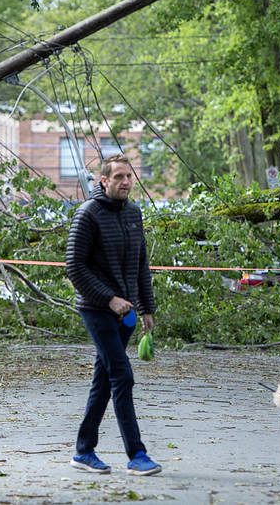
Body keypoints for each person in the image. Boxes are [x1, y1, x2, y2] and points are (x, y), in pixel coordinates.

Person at [65, 153, 161, 476]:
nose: (125, 182)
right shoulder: (87, 214)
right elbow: (74, 267)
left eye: (128, 176)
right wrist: (109, 300)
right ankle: (136, 454)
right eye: (118, 176)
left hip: (128, 312)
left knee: (104, 380)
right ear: (103, 181)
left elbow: (141, 265)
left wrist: (146, 306)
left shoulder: (134, 213)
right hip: (96, 308)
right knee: (122, 375)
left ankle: (83, 451)